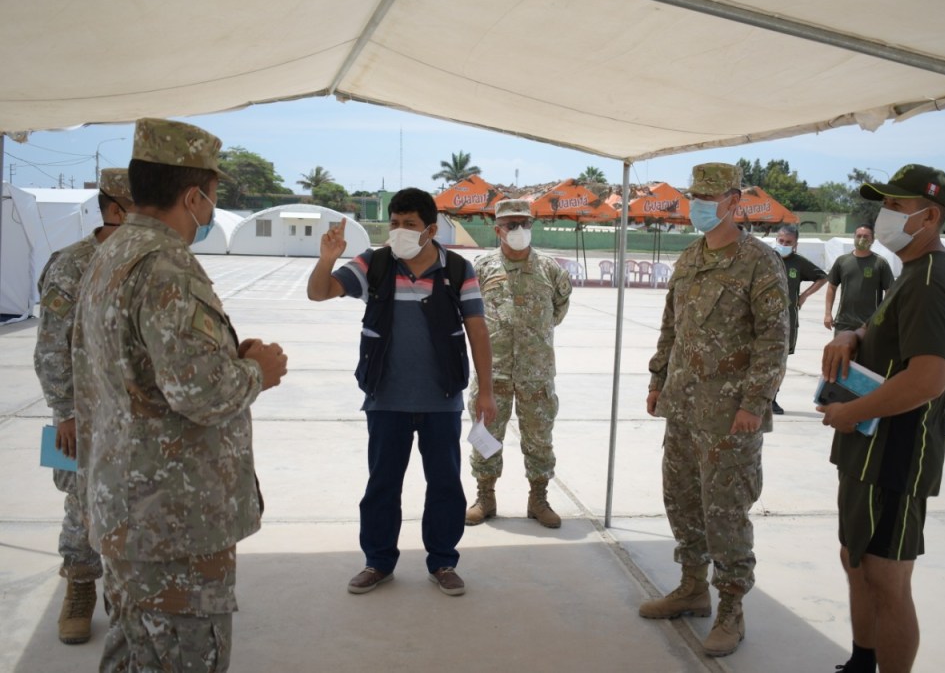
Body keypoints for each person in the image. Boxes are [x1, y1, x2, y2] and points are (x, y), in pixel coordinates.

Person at [72, 118, 289, 671]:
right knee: (180, 657)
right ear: (193, 196)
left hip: (126, 508)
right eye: (212, 197)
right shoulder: (166, 267)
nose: (212, 211)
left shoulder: (110, 255)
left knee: (131, 653)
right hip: (173, 522)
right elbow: (201, 393)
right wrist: (257, 370)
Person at [306, 188, 497, 598]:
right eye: (394, 223)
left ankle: (443, 561)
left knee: (445, 484)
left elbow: (477, 330)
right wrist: (327, 258)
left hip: (441, 400)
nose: (399, 232)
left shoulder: (457, 268)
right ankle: (377, 562)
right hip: (385, 398)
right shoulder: (373, 263)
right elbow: (318, 292)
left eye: (409, 225)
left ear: (430, 229)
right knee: (382, 483)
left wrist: (486, 392)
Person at [818, 164, 945, 673]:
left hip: (897, 454)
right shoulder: (913, 274)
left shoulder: (931, 280)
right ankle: (863, 662)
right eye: (883, 204)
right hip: (869, 448)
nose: (882, 215)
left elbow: (928, 379)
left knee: (887, 577)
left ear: (929, 217)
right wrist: (851, 336)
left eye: (895, 206)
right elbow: (891, 336)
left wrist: (850, 412)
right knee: (856, 559)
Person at [641, 162, 788, 658]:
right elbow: (671, 326)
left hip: (730, 416)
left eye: (709, 197)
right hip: (683, 406)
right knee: (681, 499)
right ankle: (691, 587)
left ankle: (731, 609)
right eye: (694, 197)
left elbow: (774, 340)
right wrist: (658, 379)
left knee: (725, 511)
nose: (698, 206)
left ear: (734, 201)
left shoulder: (759, 262)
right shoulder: (689, 258)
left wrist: (755, 402)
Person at [33, 167, 133, 645]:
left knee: (133, 499)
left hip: (135, 411)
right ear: (115, 209)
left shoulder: (146, 258)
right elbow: (51, 344)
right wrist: (65, 411)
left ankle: (123, 589)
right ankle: (79, 583)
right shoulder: (72, 264)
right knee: (81, 499)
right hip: (82, 410)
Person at [465, 199, 572, 528]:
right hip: (491, 373)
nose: (519, 230)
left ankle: (538, 498)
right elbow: (469, 315)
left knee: (539, 438)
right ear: (497, 229)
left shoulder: (550, 269)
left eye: (525, 224)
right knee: (486, 435)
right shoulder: (481, 268)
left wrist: (532, 337)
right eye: (511, 225)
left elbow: (560, 307)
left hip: (535, 373)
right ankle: (485, 495)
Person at [772, 224, 827, 414]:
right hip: (763, 318)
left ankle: (772, 398)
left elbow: (822, 277)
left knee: (780, 361)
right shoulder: (765, 259)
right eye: (781, 241)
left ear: (795, 244)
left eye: (788, 242)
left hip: (788, 319)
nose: (784, 244)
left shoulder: (799, 263)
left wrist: (803, 296)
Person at [823, 224, 894, 334]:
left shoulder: (880, 263)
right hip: (844, 323)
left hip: (870, 324)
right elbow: (831, 287)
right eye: (859, 236)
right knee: (841, 351)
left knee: (869, 352)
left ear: (872, 240)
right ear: (854, 238)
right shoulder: (842, 261)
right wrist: (828, 313)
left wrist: (883, 315)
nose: (862, 239)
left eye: (866, 236)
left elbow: (890, 292)